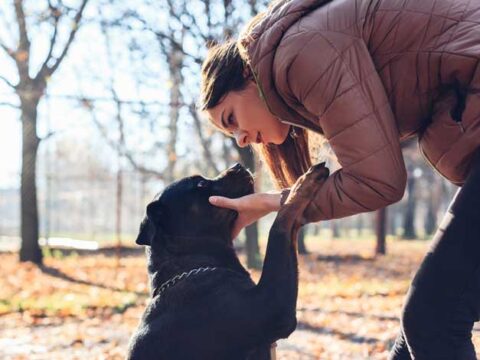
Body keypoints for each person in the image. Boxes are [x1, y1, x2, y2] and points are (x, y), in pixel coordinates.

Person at [199, 0, 480, 358]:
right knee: (418, 333)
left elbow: (378, 180)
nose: (240, 138)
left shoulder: (301, 53)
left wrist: (275, 203)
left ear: (248, 79)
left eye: (230, 119)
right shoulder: (303, 47)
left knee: (433, 317)